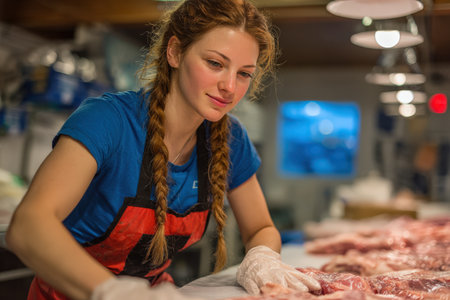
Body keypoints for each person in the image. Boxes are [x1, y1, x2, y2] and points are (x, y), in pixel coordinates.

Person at [6, 0, 321, 299]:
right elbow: (29, 225)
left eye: (243, 74)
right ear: (175, 52)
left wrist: (262, 257)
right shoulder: (109, 121)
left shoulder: (230, 139)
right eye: (215, 63)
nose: (229, 86)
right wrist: (112, 293)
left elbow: (262, 228)